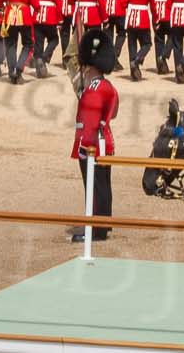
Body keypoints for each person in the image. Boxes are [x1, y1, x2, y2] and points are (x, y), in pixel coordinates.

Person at [70, 24, 120, 244]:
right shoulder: (104, 86)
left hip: (92, 144)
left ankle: (97, 229)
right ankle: (103, 223)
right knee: (101, 185)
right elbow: (113, 112)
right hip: (102, 141)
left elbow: (89, 123)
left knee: (94, 186)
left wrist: (83, 148)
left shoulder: (95, 89)